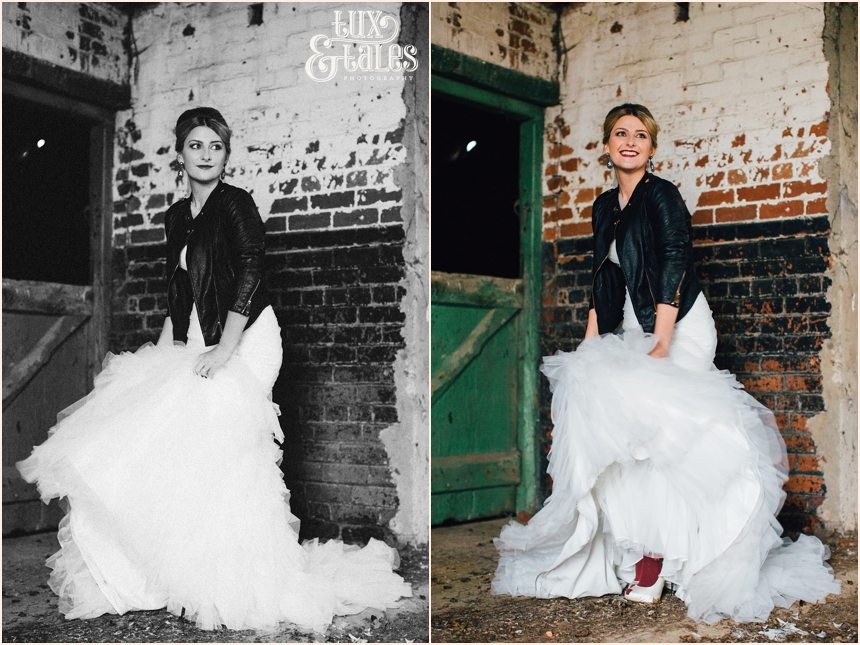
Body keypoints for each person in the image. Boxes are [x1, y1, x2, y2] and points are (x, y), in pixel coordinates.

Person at [17, 107, 411, 632]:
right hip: (200, 335)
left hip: (247, 336)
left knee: (228, 445)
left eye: (216, 147)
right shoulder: (175, 218)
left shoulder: (236, 205)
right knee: (158, 436)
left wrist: (225, 350)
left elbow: (251, 272)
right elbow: (178, 291)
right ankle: (177, 574)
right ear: (179, 154)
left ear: (226, 156)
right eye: (196, 145)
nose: (206, 154)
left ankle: (240, 579)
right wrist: (163, 355)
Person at [491, 103, 840, 623]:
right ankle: (648, 550)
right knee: (630, 442)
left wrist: (662, 339)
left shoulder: (664, 196)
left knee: (670, 440)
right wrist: (590, 343)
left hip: (681, 325)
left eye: (640, 135)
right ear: (607, 146)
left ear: (652, 148)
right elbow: (603, 278)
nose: (629, 142)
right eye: (619, 134)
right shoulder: (604, 206)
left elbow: (676, 258)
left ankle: (663, 563)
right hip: (637, 324)